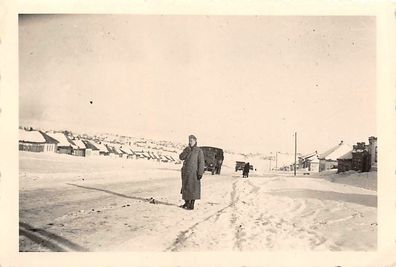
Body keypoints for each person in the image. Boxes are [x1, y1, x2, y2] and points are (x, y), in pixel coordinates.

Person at [179, 135, 205, 210]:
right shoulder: (187, 149)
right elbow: (181, 157)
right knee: (185, 188)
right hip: (186, 173)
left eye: (192, 141)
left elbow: (201, 163)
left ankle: (191, 204)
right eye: (189, 141)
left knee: (193, 189)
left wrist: (200, 173)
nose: (190, 142)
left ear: (195, 141)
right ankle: (186, 202)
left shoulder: (199, 151)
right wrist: (186, 151)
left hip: (194, 173)